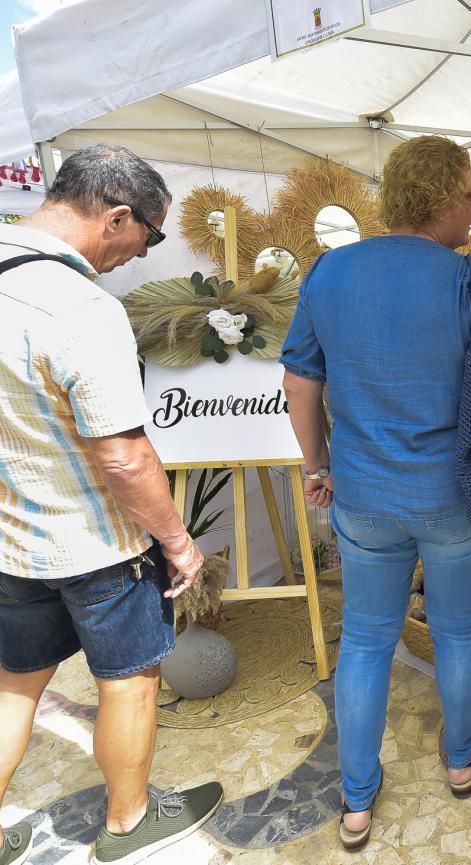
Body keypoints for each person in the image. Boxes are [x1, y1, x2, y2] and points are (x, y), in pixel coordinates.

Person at [281, 135, 471, 851]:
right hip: (453, 494)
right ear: (442, 199)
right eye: (470, 194)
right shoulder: (470, 277)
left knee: (365, 640)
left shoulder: (328, 272)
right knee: (458, 631)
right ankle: (461, 760)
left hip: (361, 494)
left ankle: (357, 802)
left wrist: (317, 462)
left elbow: (300, 383)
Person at [0, 144, 223, 865]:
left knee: (14, 686)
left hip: (10, 538)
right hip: (98, 543)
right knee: (130, 680)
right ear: (117, 215)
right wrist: (179, 542)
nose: (140, 254)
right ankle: (128, 821)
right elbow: (124, 455)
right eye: (148, 237)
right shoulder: (81, 304)